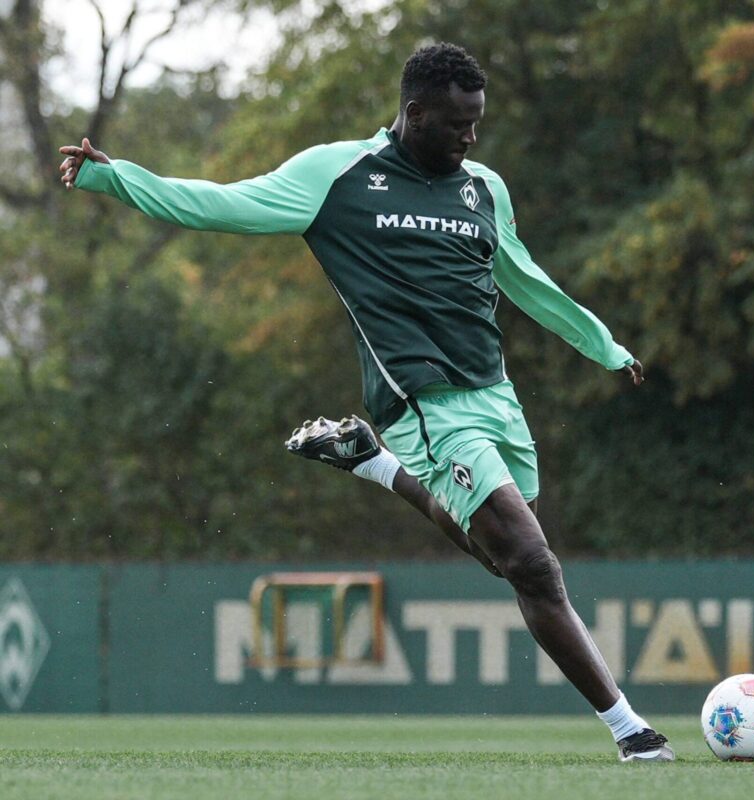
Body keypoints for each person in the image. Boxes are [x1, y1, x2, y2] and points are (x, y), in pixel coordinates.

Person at [59, 42, 672, 762]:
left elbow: (525, 277)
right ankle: (633, 733)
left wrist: (604, 346)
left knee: (500, 557)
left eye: (477, 122)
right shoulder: (337, 175)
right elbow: (222, 204)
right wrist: (116, 178)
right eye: (458, 124)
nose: (471, 136)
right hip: (423, 403)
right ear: (415, 114)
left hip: (496, 398)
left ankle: (374, 464)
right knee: (534, 565)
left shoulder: (484, 188)